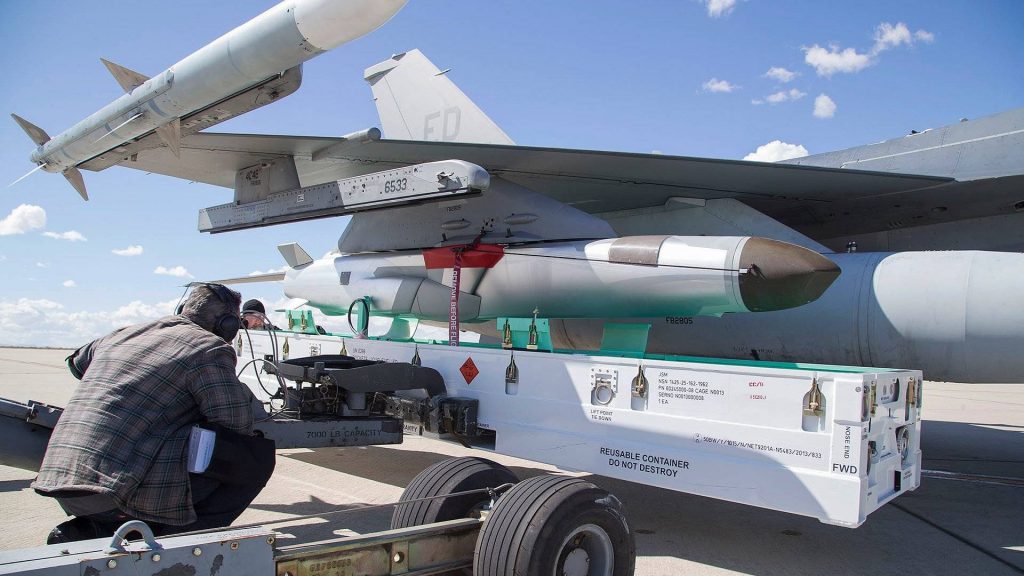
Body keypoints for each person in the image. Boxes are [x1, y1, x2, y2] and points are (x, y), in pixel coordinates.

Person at [33, 283, 275, 543]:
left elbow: (76, 363)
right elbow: (235, 423)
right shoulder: (209, 348)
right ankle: (172, 541)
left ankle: (93, 531)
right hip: (115, 491)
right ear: (228, 325)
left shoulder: (126, 333)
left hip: (60, 480)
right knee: (253, 458)